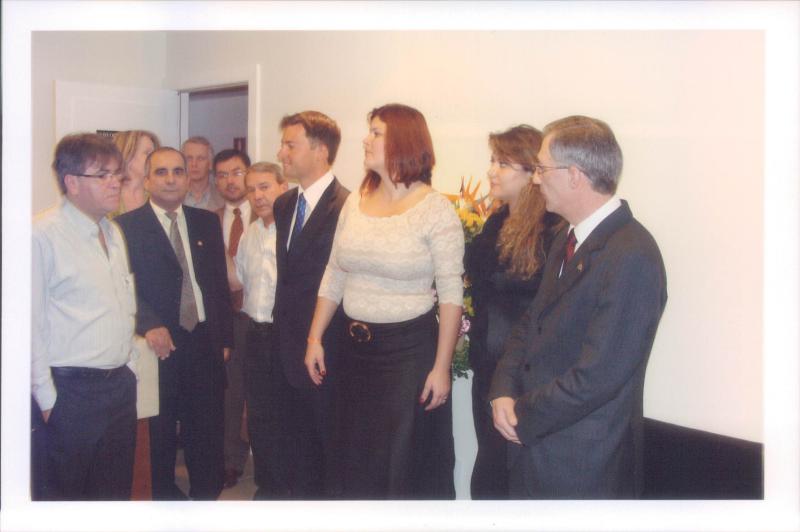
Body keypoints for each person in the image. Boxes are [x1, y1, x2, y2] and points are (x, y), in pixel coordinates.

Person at [489, 115, 668, 499]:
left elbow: (597, 376)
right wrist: (502, 389)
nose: (536, 180)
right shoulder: (567, 239)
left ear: (574, 175)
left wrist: (522, 413)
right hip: (538, 450)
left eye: (541, 168)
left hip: (583, 466)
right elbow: (531, 323)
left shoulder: (632, 254)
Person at [305, 103, 463, 499]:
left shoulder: (435, 209)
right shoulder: (356, 201)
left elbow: (451, 295)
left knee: (400, 463)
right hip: (352, 352)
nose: (366, 139)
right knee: (353, 456)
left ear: (403, 141)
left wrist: (441, 367)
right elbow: (334, 272)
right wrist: (315, 338)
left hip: (407, 356)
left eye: (376, 132)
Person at [116, 147, 233, 500]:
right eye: (161, 172)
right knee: (160, 428)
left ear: (188, 178)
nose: (171, 179)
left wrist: (225, 339)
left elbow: (217, 286)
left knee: (207, 426)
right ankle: (163, 499)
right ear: (147, 180)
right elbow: (122, 288)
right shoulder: (125, 227)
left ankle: (206, 496)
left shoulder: (206, 222)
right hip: (159, 344)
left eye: (178, 172)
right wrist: (148, 324)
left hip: (204, 340)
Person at [32, 133, 138, 499]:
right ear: (72, 182)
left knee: (112, 496)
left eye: (117, 174)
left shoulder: (113, 230)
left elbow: (123, 303)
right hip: (70, 391)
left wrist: (130, 366)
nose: (115, 183)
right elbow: (28, 325)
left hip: (118, 387)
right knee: (65, 502)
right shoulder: (41, 235)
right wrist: (47, 399)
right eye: (103, 175)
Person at [465, 125, 562, 499]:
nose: (492, 171)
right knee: (489, 469)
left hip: (522, 377)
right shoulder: (496, 220)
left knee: (510, 477)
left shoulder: (552, 229)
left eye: (503, 163)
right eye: (493, 161)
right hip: (486, 368)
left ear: (532, 172)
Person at [272, 110, 350, 499]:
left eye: (291, 145)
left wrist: (315, 339)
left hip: (327, 347)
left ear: (320, 150)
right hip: (285, 346)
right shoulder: (285, 204)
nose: (281, 153)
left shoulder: (348, 206)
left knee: (327, 448)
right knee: (294, 446)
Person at [230, 162, 288, 499]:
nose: (258, 196)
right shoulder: (250, 233)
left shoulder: (295, 232)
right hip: (254, 334)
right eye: (251, 189)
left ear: (283, 187)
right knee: (259, 415)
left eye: (265, 187)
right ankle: (268, 485)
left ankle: (290, 487)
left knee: (287, 414)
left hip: (286, 336)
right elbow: (238, 280)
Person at [212, 148, 256, 489]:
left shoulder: (270, 214)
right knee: (229, 394)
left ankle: (269, 459)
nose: (230, 180)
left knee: (264, 393)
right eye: (223, 174)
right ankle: (230, 460)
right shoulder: (208, 220)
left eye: (236, 172)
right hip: (227, 320)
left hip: (262, 318)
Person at [112, 130, 160, 214]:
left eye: (155, 154)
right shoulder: (106, 195)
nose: (155, 159)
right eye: (147, 153)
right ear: (127, 155)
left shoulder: (158, 196)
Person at [182, 136, 224, 211]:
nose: (194, 164)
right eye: (189, 158)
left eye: (200, 158)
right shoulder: (172, 197)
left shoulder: (223, 198)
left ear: (210, 164)